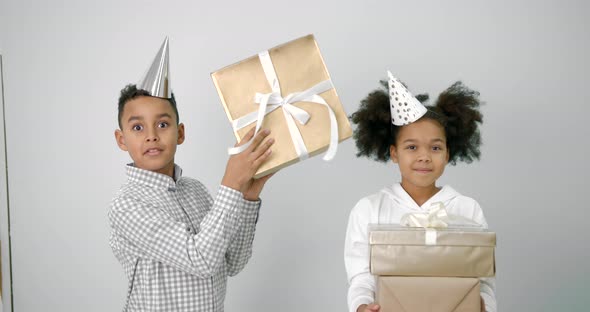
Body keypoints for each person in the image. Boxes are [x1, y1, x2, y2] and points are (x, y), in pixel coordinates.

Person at [109, 37, 274, 312]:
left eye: (162, 124)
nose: (151, 136)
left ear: (180, 133)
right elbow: (199, 259)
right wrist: (232, 183)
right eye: (138, 128)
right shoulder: (126, 205)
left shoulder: (195, 191)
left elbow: (232, 262)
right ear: (121, 139)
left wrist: (247, 196)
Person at [344, 72, 497, 312]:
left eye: (435, 147)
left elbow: (483, 281)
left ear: (447, 154)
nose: (424, 156)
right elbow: (361, 275)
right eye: (412, 147)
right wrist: (362, 306)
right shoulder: (369, 209)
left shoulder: (467, 208)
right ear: (394, 153)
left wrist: (483, 306)